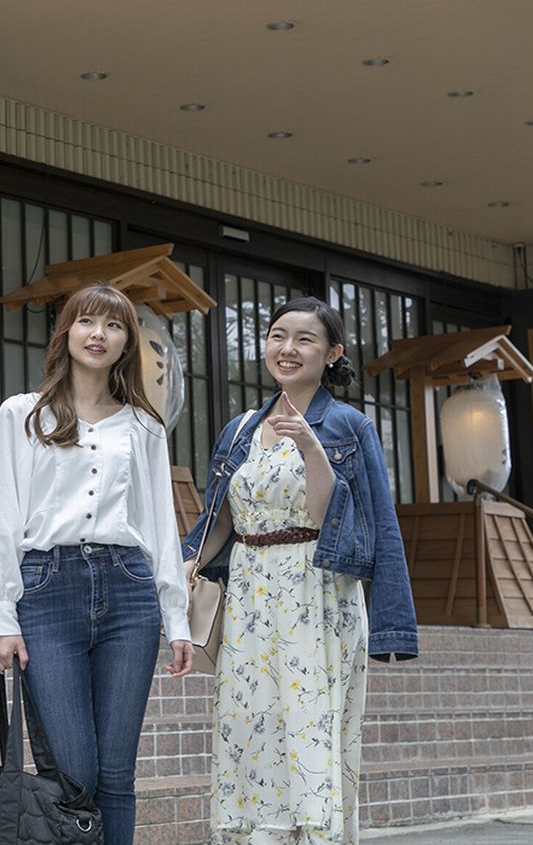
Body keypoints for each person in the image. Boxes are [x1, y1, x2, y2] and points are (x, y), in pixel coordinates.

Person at [0, 283, 194, 845]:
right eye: (87, 322)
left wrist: (177, 618)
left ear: (126, 344)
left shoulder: (143, 426)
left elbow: (160, 526)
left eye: (114, 326)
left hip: (129, 592)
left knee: (117, 774)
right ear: (65, 333)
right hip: (46, 590)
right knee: (72, 774)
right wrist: (1, 616)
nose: (99, 335)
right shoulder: (24, 414)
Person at [182, 296, 418, 845]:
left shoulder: (348, 426)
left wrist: (313, 449)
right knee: (249, 727)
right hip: (247, 594)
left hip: (318, 591)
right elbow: (221, 518)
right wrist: (183, 569)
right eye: (277, 335)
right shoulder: (241, 427)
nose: (288, 348)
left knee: (309, 730)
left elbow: (364, 522)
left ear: (332, 353)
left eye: (305, 339)